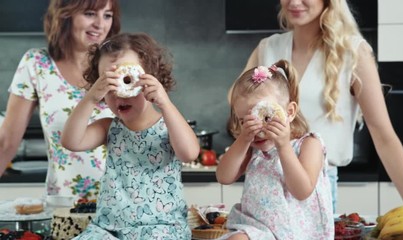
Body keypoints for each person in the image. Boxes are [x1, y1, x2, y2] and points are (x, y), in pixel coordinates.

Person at [228, 0, 403, 211]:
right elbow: (235, 103)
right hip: (265, 181)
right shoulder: (268, 48)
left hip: (316, 183)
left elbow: (383, 134)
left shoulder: (352, 52)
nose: (294, 2)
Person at [61, 32, 200, 239]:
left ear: (153, 80)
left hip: (161, 228)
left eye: (126, 81)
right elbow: (71, 141)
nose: (117, 93)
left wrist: (165, 103)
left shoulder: (169, 124)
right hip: (108, 229)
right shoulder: (109, 128)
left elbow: (189, 153)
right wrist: (90, 99)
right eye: (108, 85)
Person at [0, 0, 121, 199]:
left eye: (107, 15)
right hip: (64, 204)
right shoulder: (37, 63)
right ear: (66, 15)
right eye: (90, 13)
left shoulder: (119, 64)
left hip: (120, 203)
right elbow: (6, 143)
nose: (100, 24)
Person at [217, 60, 334, 239]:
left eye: (266, 117)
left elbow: (302, 191)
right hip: (258, 230)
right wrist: (243, 138)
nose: (256, 129)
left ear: (289, 112)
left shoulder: (309, 144)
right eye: (244, 121)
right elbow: (224, 177)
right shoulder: (251, 149)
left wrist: (283, 146)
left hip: (298, 233)